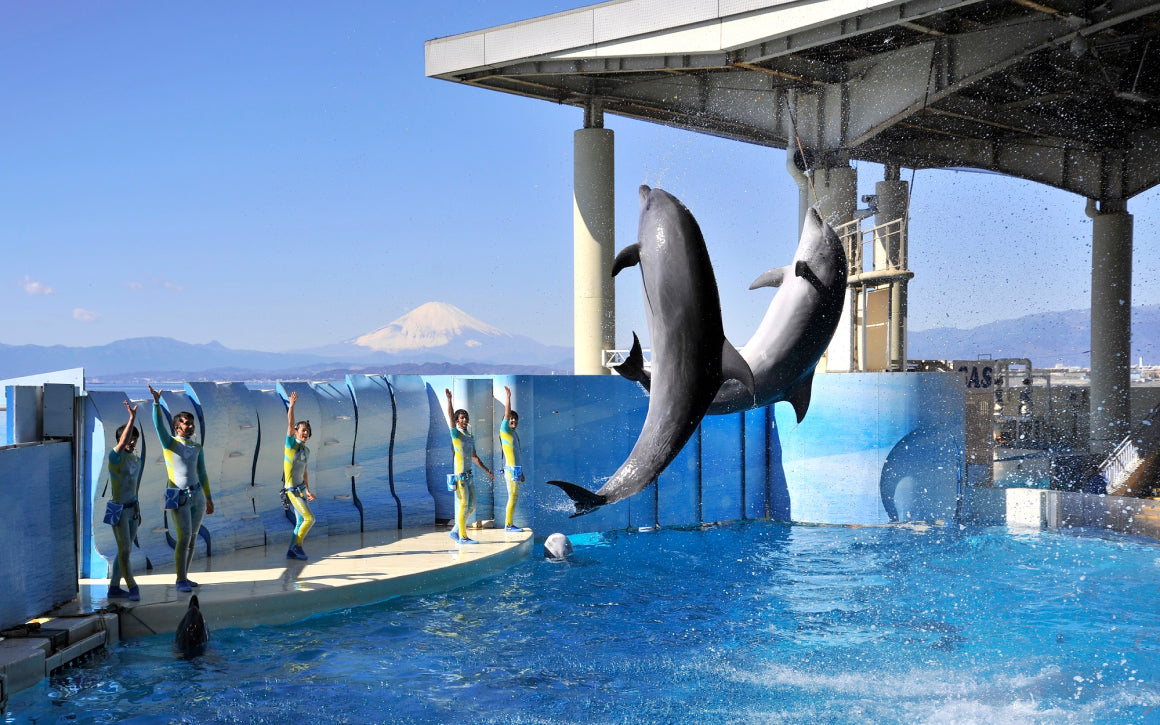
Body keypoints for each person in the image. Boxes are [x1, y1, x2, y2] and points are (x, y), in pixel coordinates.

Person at [148, 385, 214, 593]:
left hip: (197, 495)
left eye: (191, 423)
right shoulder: (170, 444)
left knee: (193, 538)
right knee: (184, 536)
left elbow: (202, 472)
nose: (189, 426)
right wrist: (157, 404)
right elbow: (159, 427)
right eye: (185, 424)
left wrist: (208, 497)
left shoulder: (196, 447)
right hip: (178, 496)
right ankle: (179, 579)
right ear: (177, 427)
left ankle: (185, 575)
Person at [444, 388, 494, 544]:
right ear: (457, 420)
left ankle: (454, 531)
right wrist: (449, 401)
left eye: (466, 417)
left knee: (472, 507)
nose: (464, 420)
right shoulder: (456, 435)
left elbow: (474, 457)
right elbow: (450, 420)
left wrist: (487, 471)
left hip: (469, 476)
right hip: (460, 477)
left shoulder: (469, 436)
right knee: (464, 504)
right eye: (462, 418)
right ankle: (462, 537)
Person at [107, 400, 142, 602]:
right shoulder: (115, 458)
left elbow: (134, 487)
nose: (131, 441)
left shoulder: (135, 459)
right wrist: (131, 419)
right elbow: (121, 445)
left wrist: (139, 509)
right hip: (118, 509)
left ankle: (114, 588)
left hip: (132, 509)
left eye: (134, 438)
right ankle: (132, 586)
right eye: (128, 438)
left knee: (124, 549)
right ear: (120, 439)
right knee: (125, 550)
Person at [283, 391, 316, 560]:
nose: (305, 433)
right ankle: (297, 547)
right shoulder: (291, 445)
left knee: (299, 522)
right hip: (291, 490)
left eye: (307, 431)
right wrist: (292, 406)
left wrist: (308, 491)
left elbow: (304, 471)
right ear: (296, 431)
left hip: (301, 490)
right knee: (309, 519)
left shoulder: (306, 450)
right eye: (303, 430)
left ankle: (291, 551)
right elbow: (290, 424)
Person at [499, 385, 525, 532]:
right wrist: (508, 398)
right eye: (511, 418)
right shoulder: (505, 430)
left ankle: (509, 523)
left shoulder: (514, 434)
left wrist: (522, 472)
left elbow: (517, 456)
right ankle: (508, 525)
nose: (513, 420)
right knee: (513, 496)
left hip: (515, 470)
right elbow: (507, 415)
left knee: (514, 496)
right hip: (510, 471)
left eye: (515, 419)